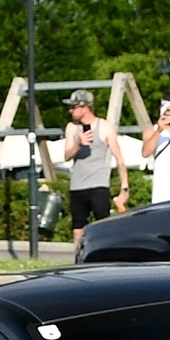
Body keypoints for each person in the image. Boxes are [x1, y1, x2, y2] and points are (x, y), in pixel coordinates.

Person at [59, 88, 128, 235]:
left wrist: (124, 188)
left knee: (103, 226)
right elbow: (66, 156)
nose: (70, 111)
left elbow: (120, 160)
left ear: (84, 108)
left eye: (73, 107)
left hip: (98, 185)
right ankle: (79, 257)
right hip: (77, 185)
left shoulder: (105, 127)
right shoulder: (71, 128)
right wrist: (78, 143)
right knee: (78, 229)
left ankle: (103, 257)